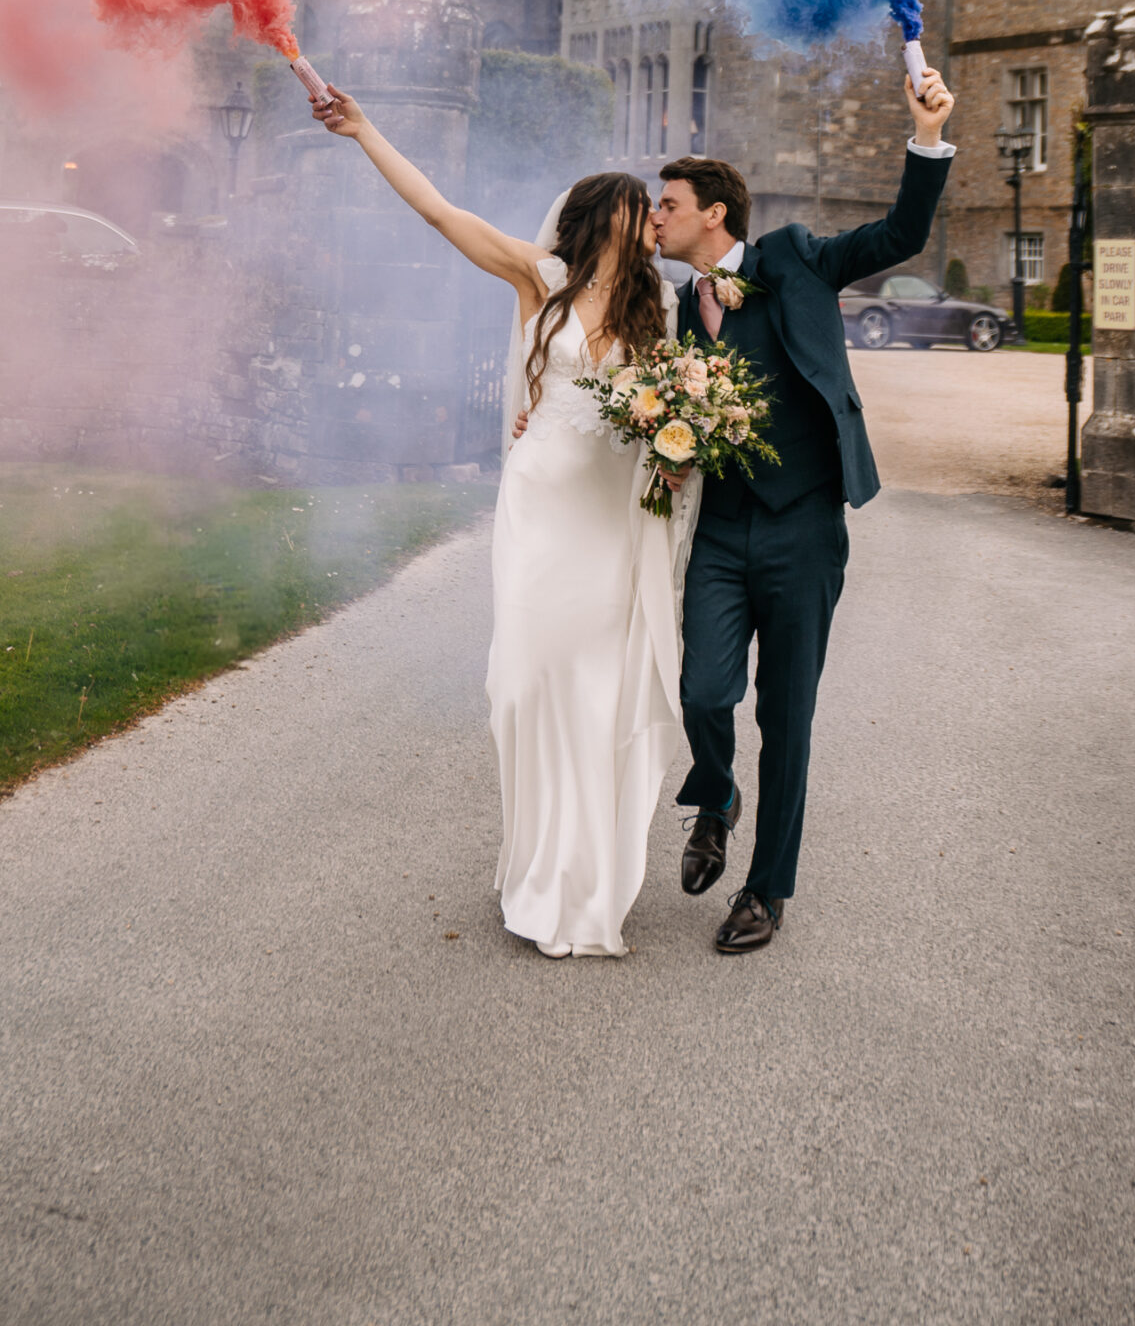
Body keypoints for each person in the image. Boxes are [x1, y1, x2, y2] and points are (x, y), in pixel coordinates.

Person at [311, 87, 685, 957]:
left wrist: (682, 433)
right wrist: (365, 129)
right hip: (541, 502)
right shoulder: (538, 277)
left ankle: (583, 881)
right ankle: (533, 859)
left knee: (593, 692)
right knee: (522, 683)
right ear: (603, 219)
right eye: (639, 209)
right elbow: (440, 212)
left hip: (610, 513)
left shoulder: (654, 309)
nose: (651, 222)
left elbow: (674, 404)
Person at [649, 63, 956, 953]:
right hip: (717, 529)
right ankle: (715, 795)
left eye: (667, 202)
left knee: (785, 717)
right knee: (703, 691)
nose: (655, 215)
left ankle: (764, 891)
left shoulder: (795, 256)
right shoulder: (674, 306)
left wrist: (926, 135)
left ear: (714, 213)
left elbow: (899, 231)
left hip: (804, 527)